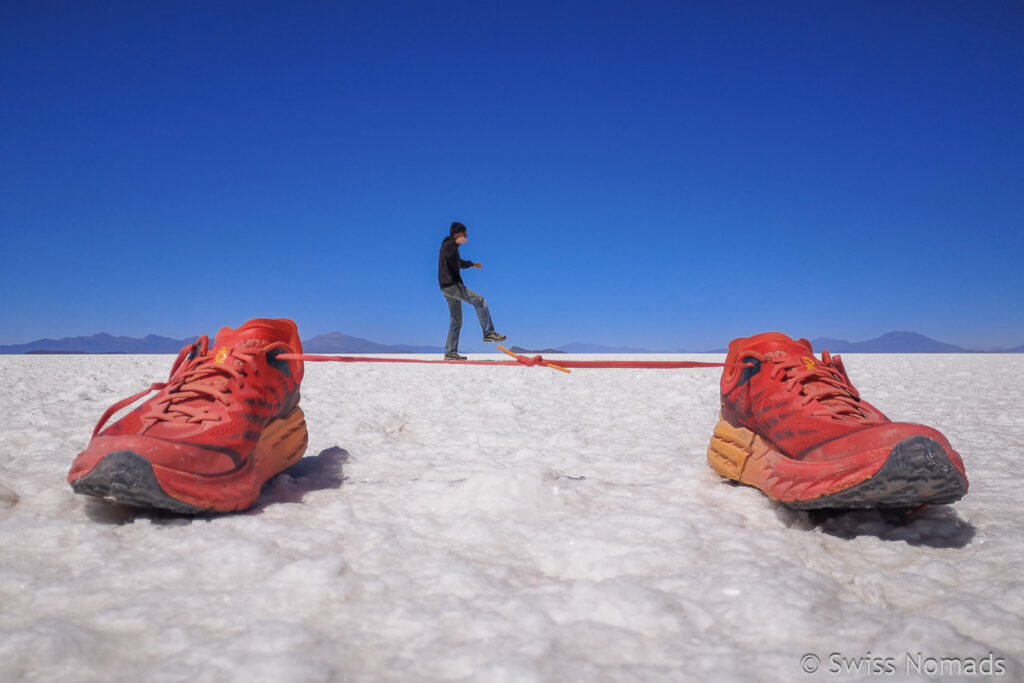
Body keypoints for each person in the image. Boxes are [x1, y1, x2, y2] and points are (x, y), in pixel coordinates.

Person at [438, 221, 506, 360]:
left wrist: (472, 264)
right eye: (464, 233)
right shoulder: (448, 245)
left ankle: (450, 352)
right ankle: (489, 332)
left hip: (446, 288)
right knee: (479, 300)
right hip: (452, 286)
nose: (466, 236)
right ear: (457, 233)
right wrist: (456, 241)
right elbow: (450, 245)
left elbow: (459, 262)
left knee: (456, 320)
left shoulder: (452, 249)